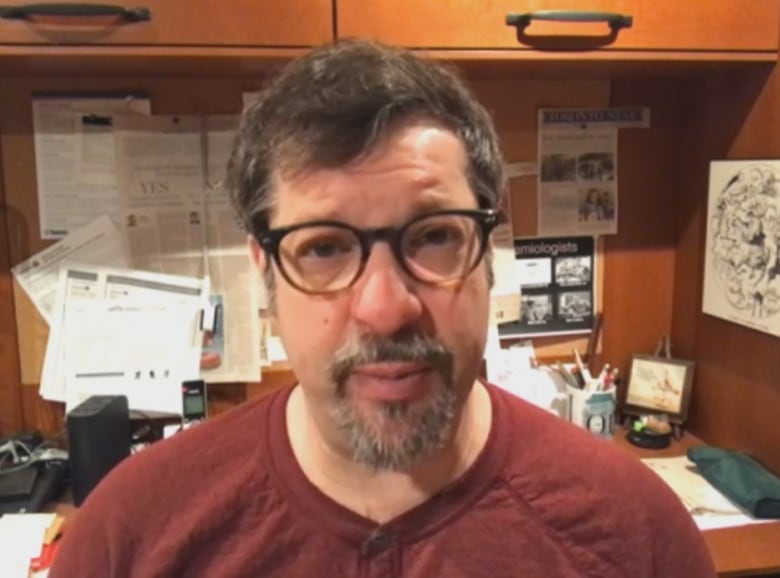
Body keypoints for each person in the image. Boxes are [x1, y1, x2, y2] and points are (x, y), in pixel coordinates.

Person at [51, 39, 715, 578]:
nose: (386, 308)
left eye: (432, 236)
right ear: (265, 274)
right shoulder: (130, 538)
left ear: (489, 253)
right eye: (323, 249)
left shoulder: (635, 536)